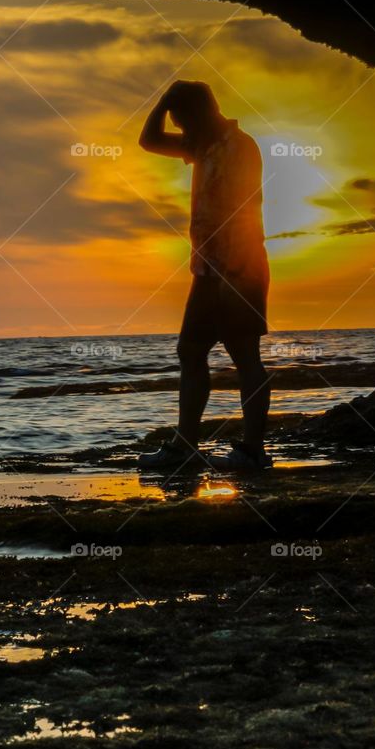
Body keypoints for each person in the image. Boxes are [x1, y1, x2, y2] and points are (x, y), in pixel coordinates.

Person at [136, 80, 272, 472]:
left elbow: (244, 209)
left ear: (200, 114)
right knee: (191, 350)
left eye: (182, 121)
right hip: (208, 268)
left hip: (238, 268)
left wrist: (232, 274)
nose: (179, 130)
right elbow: (148, 141)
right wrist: (162, 100)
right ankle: (185, 448)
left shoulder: (239, 147)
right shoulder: (200, 145)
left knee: (245, 356)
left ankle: (252, 451)